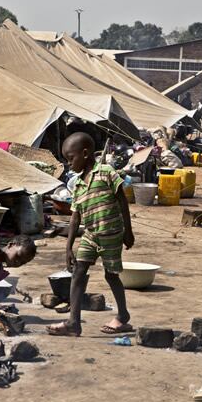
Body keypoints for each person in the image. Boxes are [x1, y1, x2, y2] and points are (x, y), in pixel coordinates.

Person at [47, 132, 135, 336]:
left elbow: (122, 202)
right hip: (90, 235)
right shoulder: (77, 185)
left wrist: (128, 232)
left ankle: (123, 316)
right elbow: (75, 218)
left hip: (111, 233)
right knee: (78, 272)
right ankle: (73, 323)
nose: (68, 164)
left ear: (85, 154)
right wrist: (68, 247)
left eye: (71, 158)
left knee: (111, 275)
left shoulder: (106, 172)